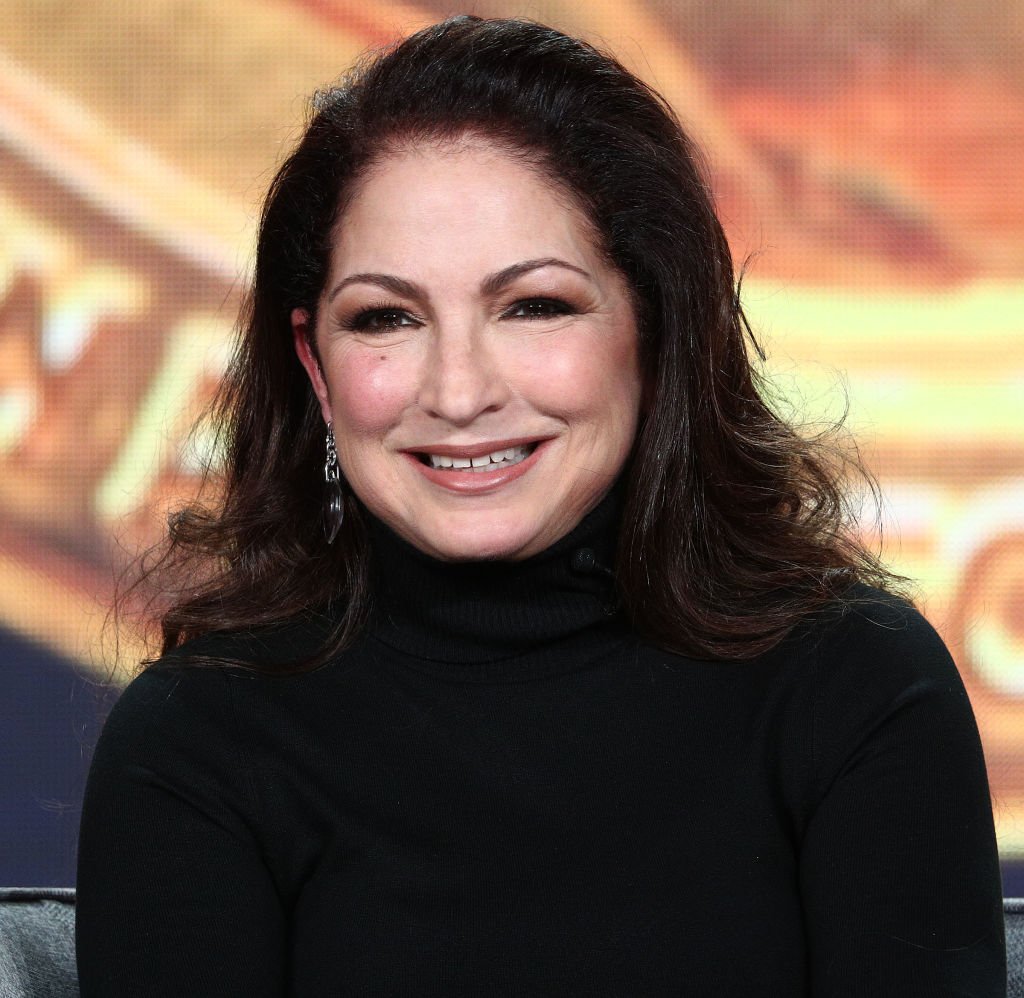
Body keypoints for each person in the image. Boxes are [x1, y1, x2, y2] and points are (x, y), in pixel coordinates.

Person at [75, 15, 1006, 996]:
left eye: (534, 306)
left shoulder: (854, 687)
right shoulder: (199, 740)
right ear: (315, 363)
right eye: (386, 318)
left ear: (653, 328)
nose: (460, 389)